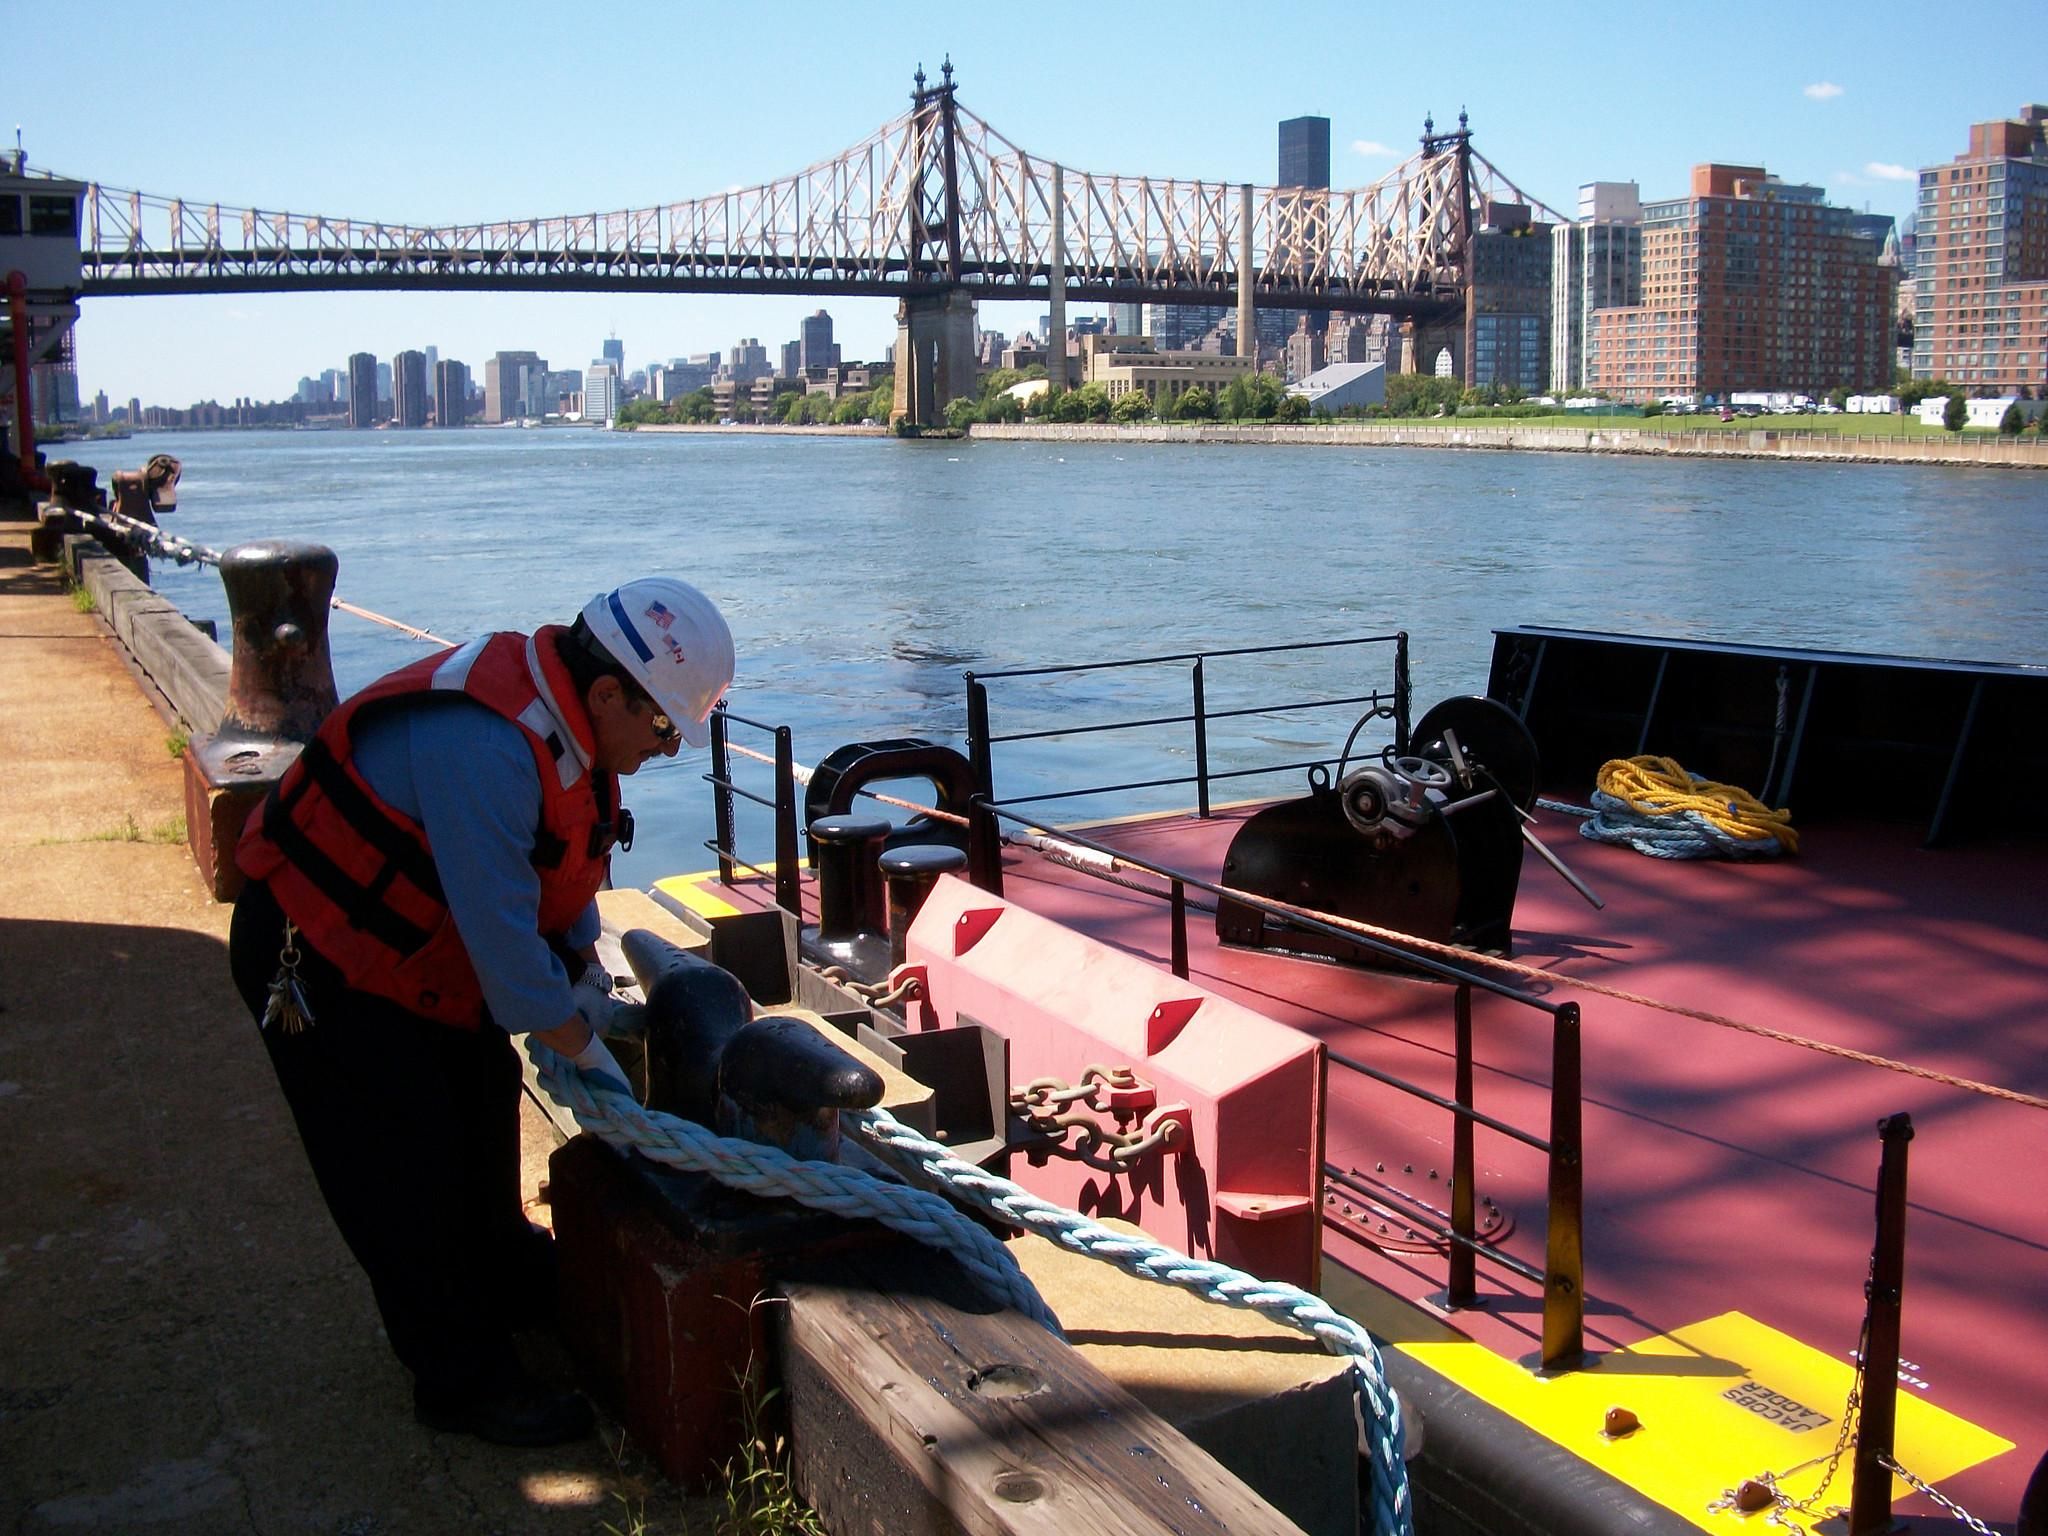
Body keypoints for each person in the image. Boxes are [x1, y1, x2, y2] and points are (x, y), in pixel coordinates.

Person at [228, 577, 734, 1446]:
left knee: (477, 1103)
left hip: (423, 958)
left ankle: (502, 1275)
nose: (663, 750)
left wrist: (585, 971)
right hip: (321, 959)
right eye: (662, 730)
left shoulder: (575, 732)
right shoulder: (487, 747)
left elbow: (565, 867)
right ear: (608, 692)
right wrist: (588, 1047)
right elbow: (507, 961)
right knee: (400, 1167)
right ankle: (460, 1378)